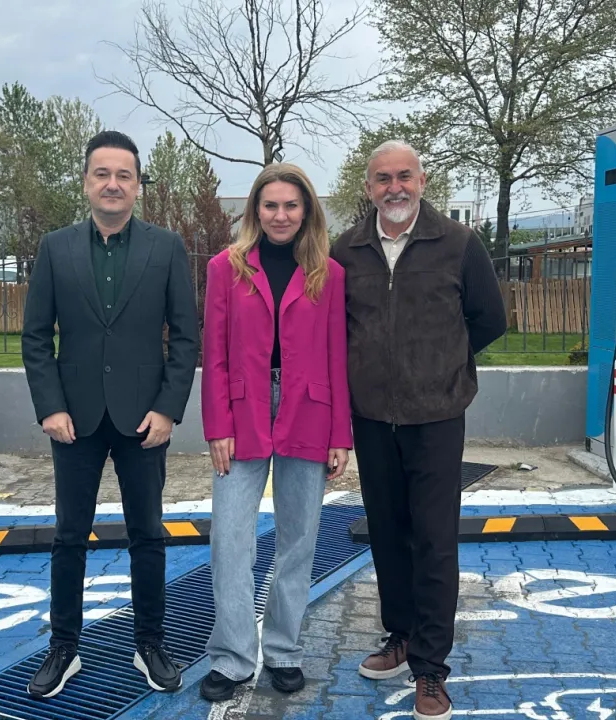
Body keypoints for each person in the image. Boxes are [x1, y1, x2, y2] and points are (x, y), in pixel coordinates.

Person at [21, 129, 201, 699]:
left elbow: (186, 338)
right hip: (73, 420)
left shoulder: (166, 248)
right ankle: (63, 647)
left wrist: (168, 410)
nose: (113, 184)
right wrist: (50, 407)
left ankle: (150, 643)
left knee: (147, 535)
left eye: (124, 175)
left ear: (138, 185)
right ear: (85, 182)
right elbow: (35, 337)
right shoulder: (55, 248)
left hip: (144, 421)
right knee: (69, 535)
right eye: (102, 173)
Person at [330, 140, 506, 719]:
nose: (395, 187)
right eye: (383, 179)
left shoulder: (458, 244)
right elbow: (337, 328)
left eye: (404, 176)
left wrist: (441, 364)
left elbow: (489, 319)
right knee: (387, 532)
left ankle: (431, 667)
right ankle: (400, 636)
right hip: (372, 417)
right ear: (368, 188)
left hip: (437, 416)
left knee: (434, 539)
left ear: (423, 181)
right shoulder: (346, 251)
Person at [198, 162, 353, 702]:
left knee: (299, 540)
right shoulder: (226, 268)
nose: (280, 215)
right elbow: (214, 353)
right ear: (255, 210)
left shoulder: (329, 274)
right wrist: (217, 424)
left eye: (291, 205)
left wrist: (340, 435)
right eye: (270, 205)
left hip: (309, 409)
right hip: (242, 410)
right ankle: (233, 656)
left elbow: (337, 355)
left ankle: (284, 650)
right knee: (229, 538)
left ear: (306, 211)